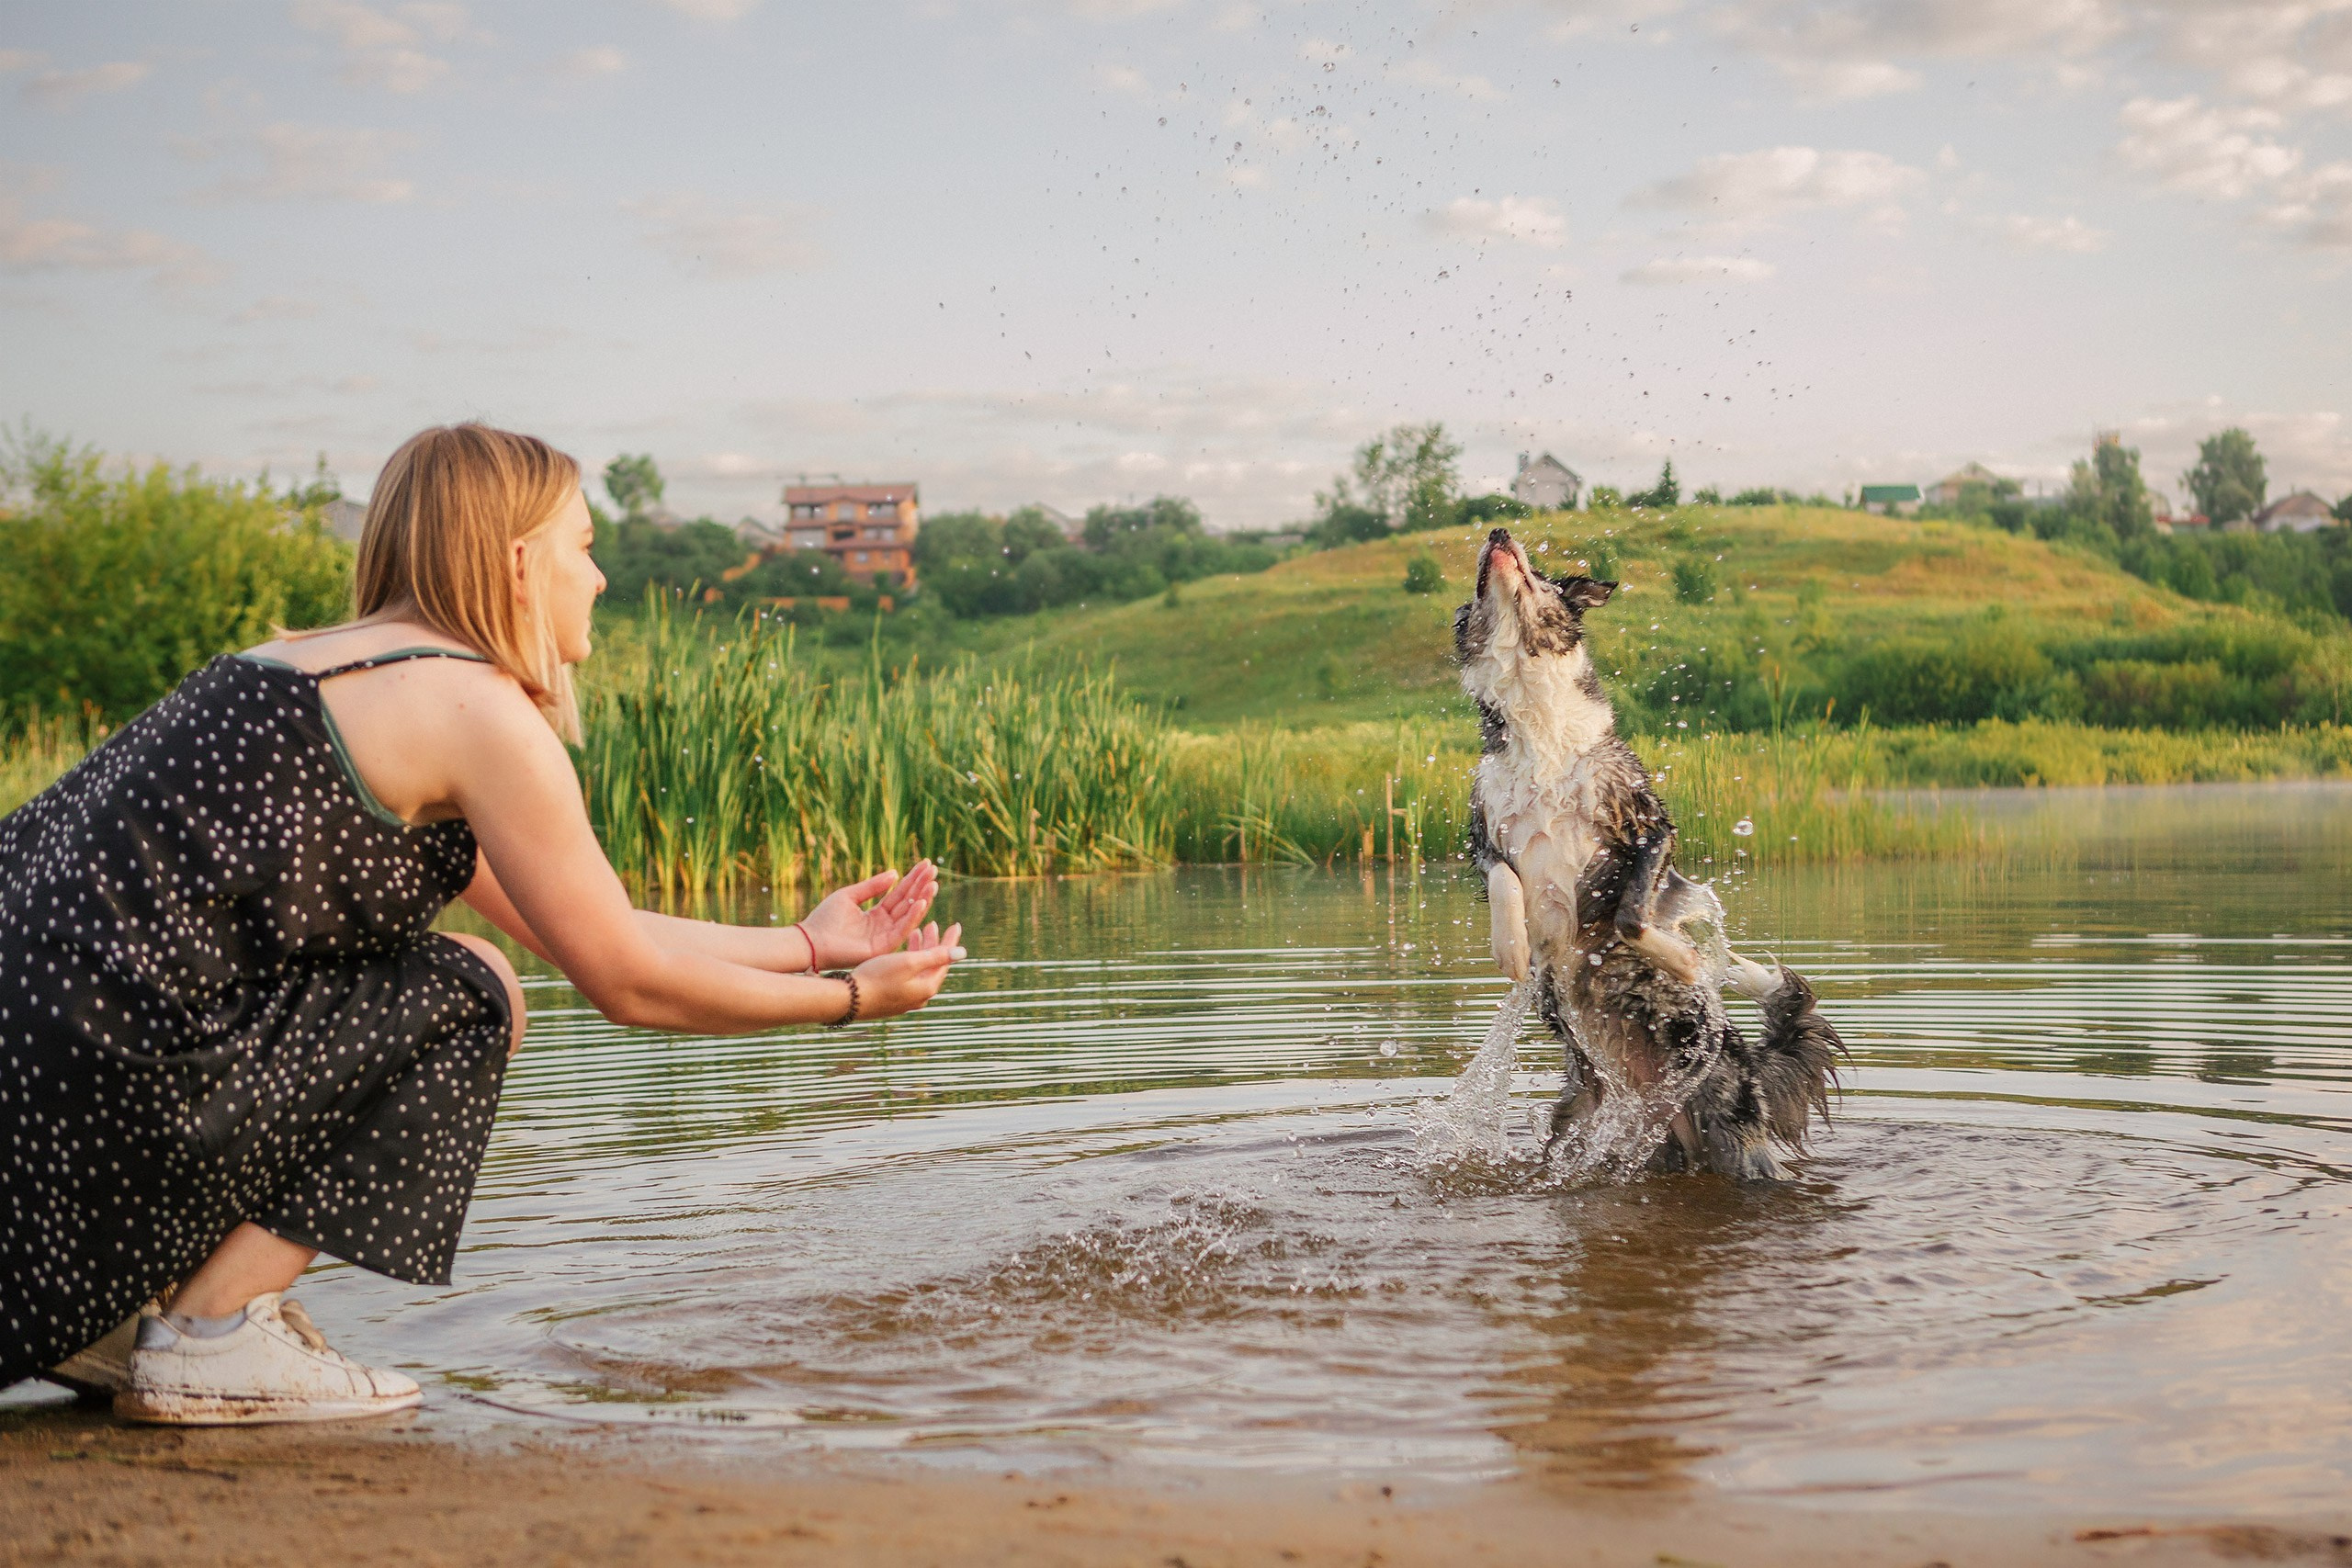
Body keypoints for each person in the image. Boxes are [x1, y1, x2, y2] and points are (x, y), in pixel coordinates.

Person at [0, 423, 966, 1423]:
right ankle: (208, 1334)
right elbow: (623, 981)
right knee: (472, 987)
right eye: (584, 547)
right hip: (95, 1121)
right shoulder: (476, 710)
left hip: (32, 1146)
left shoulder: (311, 665)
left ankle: (121, 1321)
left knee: (462, 965)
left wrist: (810, 946)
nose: (598, 578)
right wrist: (849, 1004)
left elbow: (581, 924)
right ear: (518, 561)